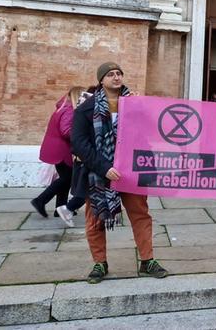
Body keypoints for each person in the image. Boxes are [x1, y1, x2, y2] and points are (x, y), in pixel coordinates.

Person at [71, 62, 168, 283]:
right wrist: (105, 168)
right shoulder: (86, 108)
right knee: (95, 219)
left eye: (119, 73)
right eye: (110, 74)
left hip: (130, 171)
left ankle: (147, 260)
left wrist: (140, 106)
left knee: (140, 214)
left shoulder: (132, 103)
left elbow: (149, 132)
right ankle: (99, 263)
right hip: (98, 173)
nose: (116, 77)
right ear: (101, 80)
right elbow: (79, 143)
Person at [32, 86, 86, 223]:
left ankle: (59, 208)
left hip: (56, 148)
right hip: (61, 150)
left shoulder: (63, 108)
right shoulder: (69, 110)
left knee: (65, 178)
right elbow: (66, 130)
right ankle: (40, 200)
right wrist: (81, 134)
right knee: (67, 178)